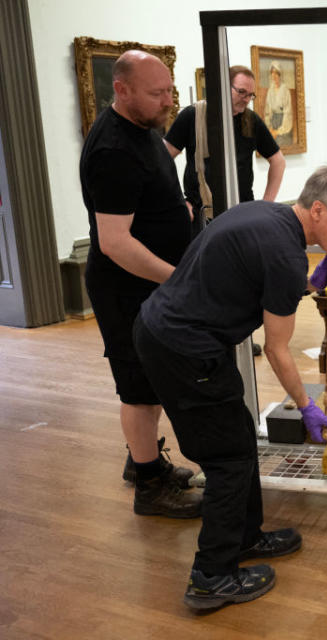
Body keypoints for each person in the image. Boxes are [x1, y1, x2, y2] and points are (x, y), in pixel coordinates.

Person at [132, 166, 327, 610]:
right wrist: (306, 406)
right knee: (229, 460)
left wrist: (303, 282)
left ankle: (245, 537)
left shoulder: (267, 216)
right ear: (318, 210)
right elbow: (278, 350)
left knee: (238, 436)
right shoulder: (285, 254)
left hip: (167, 330)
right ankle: (210, 578)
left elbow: (255, 272)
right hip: (184, 348)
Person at [79, 50, 202, 519]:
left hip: (149, 284)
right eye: (157, 93)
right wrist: (178, 280)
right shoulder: (113, 149)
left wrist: (177, 211)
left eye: (170, 90)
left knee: (150, 381)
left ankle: (145, 461)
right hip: (126, 287)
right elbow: (115, 243)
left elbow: (147, 200)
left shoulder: (144, 130)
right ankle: (149, 487)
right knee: (137, 385)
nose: (167, 101)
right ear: (122, 90)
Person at [164, 65, 286, 238]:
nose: (246, 99)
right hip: (202, 216)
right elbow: (162, 159)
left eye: (250, 95)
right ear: (223, 87)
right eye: (241, 92)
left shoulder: (251, 121)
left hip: (242, 213)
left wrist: (265, 205)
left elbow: (278, 161)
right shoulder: (193, 116)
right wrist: (177, 200)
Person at [263, 61, 293, 147]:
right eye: (272, 73)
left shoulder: (285, 90)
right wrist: (270, 128)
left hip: (283, 123)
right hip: (273, 123)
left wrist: (280, 131)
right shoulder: (270, 91)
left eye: (276, 73)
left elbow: (288, 112)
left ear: (280, 75)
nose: (274, 76)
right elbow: (267, 112)